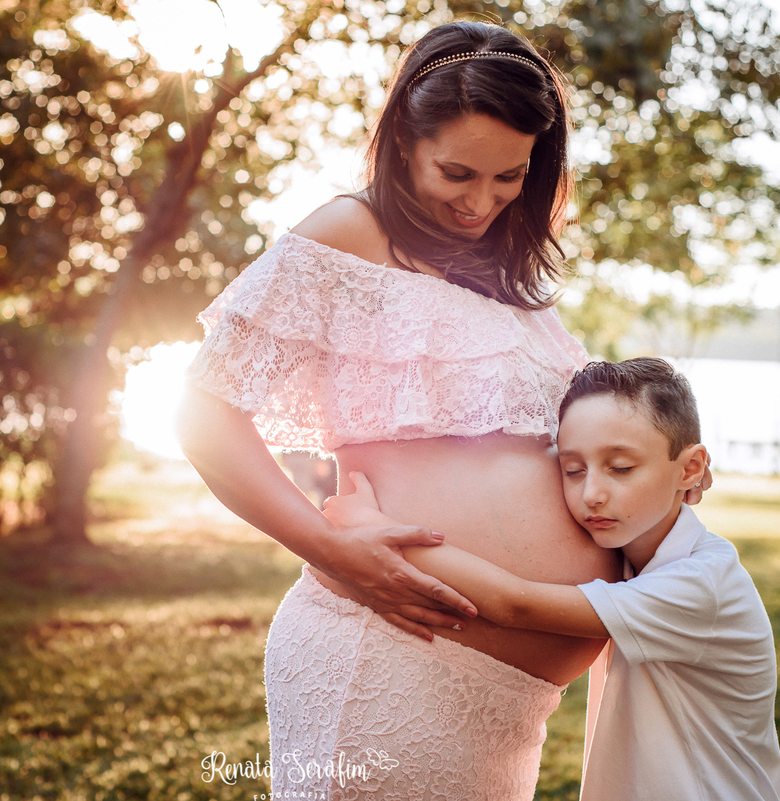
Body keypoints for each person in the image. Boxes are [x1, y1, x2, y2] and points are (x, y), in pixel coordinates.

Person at [178, 20, 629, 800]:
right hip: (385, 653)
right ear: (402, 144)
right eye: (457, 172)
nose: (480, 201)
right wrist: (331, 546)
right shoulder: (352, 233)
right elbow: (204, 413)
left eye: (509, 176)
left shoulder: (512, 282)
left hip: (509, 705)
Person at [326, 358, 780, 801]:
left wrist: (375, 527)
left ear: (689, 468)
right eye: (572, 470)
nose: (592, 494)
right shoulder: (641, 556)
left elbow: (514, 604)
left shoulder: (702, 584)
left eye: (621, 468)